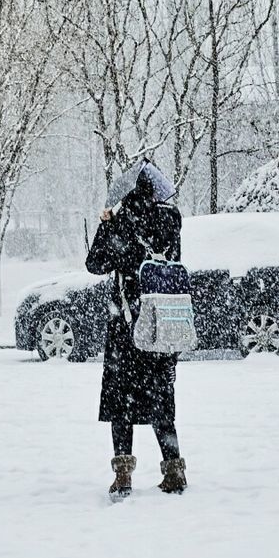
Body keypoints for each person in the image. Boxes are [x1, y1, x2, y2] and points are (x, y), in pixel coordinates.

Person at [85, 163, 188, 499]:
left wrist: (106, 225)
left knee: (121, 402)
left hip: (128, 325)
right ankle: (174, 471)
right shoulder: (171, 219)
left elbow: (95, 265)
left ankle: (123, 476)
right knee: (161, 399)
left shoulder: (122, 221)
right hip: (162, 323)